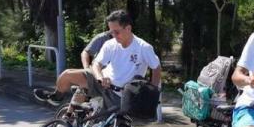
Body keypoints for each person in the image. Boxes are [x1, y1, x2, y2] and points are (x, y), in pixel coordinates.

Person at [33, 10, 161, 110]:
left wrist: (153, 91)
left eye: (117, 32)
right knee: (67, 75)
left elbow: (156, 67)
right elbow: (96, 64)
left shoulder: (143, 47)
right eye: (111, 32)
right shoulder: (110, 44)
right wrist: (100, 77)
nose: (114, 36)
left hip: (121, 94)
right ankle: (57, 97)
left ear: (128, 28)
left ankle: (87, 121)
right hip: (101, 83)